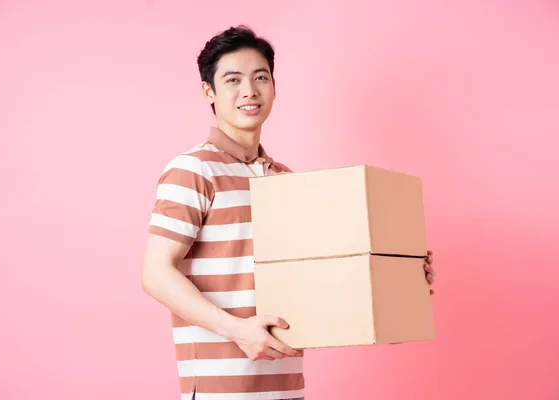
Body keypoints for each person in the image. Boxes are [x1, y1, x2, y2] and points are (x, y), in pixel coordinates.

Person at [141, 25, 437, 400]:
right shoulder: (194, 169)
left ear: (274, 87)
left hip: (286, 386)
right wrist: (237, 330)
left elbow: (323, 280)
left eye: (260, 77)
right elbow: (155, 274)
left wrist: (400, 279)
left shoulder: (286, 181)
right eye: (233, 79)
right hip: (222, 390)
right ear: (209, 92)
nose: (249, 90)